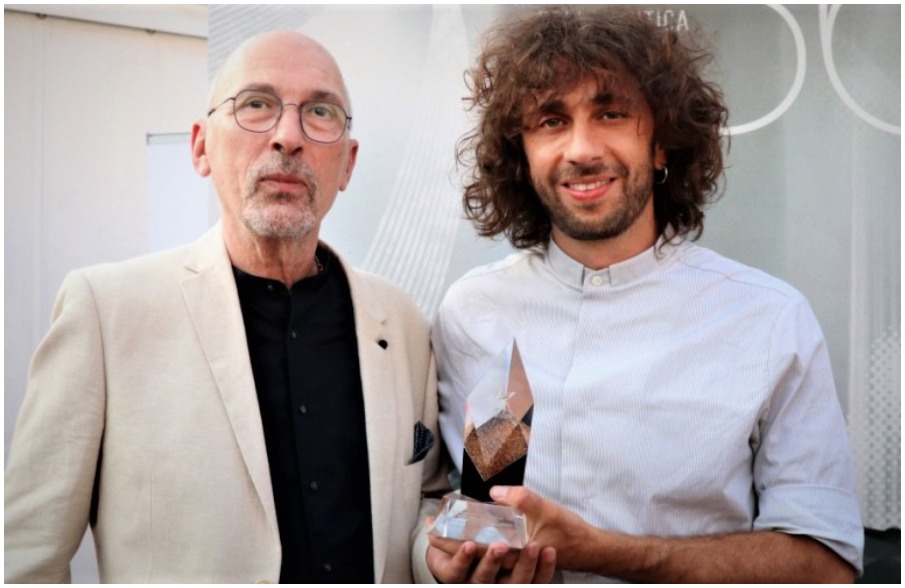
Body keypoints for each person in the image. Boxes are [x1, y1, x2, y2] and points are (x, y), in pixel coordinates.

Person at [425, 6, 863, 583]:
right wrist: (444, 562)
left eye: (611, 113)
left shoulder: (768, 320)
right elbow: (460, 505)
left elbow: (827, 566)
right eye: (551, 120)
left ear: (661, 145)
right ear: (522, 154)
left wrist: (602, 551)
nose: (581, 149)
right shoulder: (473, 312)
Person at [5, 30, 447, 583]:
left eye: (320, 112)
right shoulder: (105, 313)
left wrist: (437, 555)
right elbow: (25, 555)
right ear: (200, 147)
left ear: (348, 164)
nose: (288, 136)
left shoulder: (401, 324)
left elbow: (426, 497)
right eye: (257, 104)